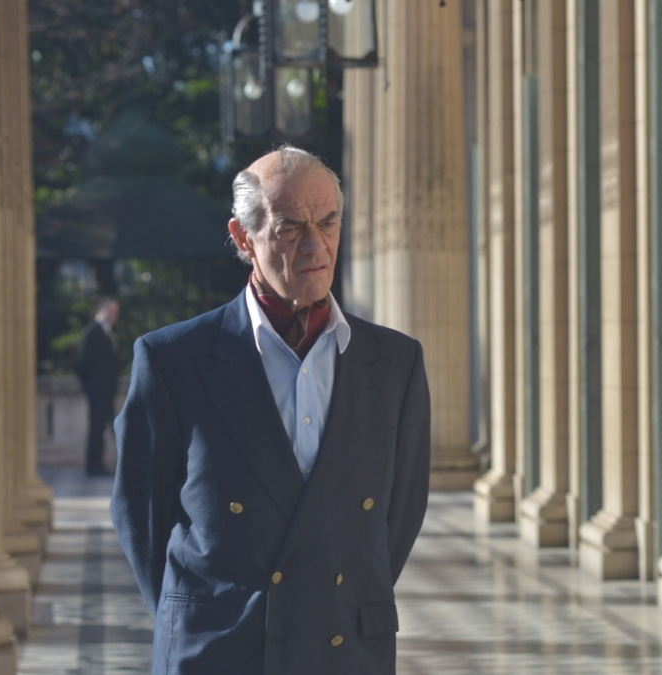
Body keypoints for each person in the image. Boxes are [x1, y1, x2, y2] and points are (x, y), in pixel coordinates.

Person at [111, 146, 431, 674]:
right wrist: (203, 614)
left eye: (328, 222)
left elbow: (400, 514)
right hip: (218, 652)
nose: (315, 244)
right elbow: (140, 516)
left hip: (345, 650)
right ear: (243, 238)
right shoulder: (171, 360)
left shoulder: (396, 363)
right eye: (290, 228)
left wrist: (331, 603)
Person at [76, 296, 121, 477]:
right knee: (96, 429)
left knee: (104, 428)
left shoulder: (109, 332)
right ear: (100, 310)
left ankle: (98, 464)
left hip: (107, 391)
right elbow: (82, 364)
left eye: (115, 312)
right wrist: (90, 387)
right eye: (110, 311)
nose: (113, 315)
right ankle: (93, 466)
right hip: (97, 391)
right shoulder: (93, 332)